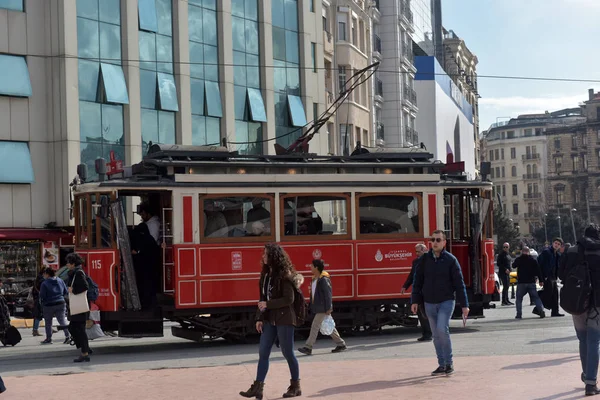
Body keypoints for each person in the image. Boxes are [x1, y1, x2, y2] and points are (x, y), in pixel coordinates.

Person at [240, 243, 304, 399]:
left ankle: (296, 386)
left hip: (284, 317)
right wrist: (259, 318)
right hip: (269, 318)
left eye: (266, 254)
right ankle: (258, 387)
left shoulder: (285, 275)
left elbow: (289, 299)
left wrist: (268, 305)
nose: (263, 257)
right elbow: (263, 298)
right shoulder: (266, 274)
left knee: (287, 353)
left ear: (274, 257)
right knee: (263, 352)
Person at [411, 230, 469, 376]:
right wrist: (415, 301)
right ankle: (441, 364)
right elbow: (417, 281)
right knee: (436, 334)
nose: (435, 242)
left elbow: (459, 283)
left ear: (444, 243)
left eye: (438, 240)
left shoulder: (451, 260)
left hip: (446, 301)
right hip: (429, 302)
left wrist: (464, 305)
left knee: (442, 329)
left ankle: (449, 363)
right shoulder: (424, 260)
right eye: (433, 240)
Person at [558, 225, 600, 396]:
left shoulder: (572, 251)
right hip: (598, 303)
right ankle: (591, 383)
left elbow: (560, 274)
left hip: (577, 302)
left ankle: (587, 375)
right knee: (594, 341)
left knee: (583, 339)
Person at [297, 259, 346, 355]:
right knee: (329, 326)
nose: (310, 267)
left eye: (311, 266)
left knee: (315, 326)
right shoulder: (315, 279)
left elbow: (328, 294)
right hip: (319, 307)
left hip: (323, 308)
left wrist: (329, 307)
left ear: (316, 267)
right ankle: (341, 344)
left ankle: (308, 347)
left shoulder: (324, 279)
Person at [401, 243, 432, 341]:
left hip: (428, 290)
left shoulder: (431, 260)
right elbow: (411, 275)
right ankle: (426, 333)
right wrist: (405, 286)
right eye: (416, 252)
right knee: (421, 313)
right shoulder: (416, 262)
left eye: (418, 251)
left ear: (424, 250)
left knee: (426, 313)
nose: (417, 254)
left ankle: (429, 333)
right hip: (419, 291)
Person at [65, 253, 91, 363]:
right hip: (76, 307)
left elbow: (85, 286)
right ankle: (85, 349)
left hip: (79, 307)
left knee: (79, 329)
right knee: (74, 328)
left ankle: (85, 352)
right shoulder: (74, 273)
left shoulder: (78, 273)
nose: (67, 265)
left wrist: (73, 290)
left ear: (73, 263)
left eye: (68, 263)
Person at [39, 267, 71, 344]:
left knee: (48, 322)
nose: (44, 275)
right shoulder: (60, 280)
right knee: (62, 320)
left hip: (48, 304)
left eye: (44, 274)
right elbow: (65, 292)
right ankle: (68, 336)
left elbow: (42, 295)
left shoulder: (44, 283)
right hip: (60, 302)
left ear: (47, 274)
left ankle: (49, 339)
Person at [513, 247, 545, 319]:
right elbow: (538, 270)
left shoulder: (519, 259)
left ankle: (519, 314)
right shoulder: (533, 260)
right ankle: (541, 311)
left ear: (522, 252)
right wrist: (541, 280)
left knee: (519, 298)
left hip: (521, 282)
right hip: (531, 282)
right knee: (536, 298)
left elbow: (513, 265)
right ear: (528, 252)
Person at [538, 237, 565, 317]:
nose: (556, 245)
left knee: (555, 295)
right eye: (555, 243)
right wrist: (541, 278)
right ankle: (538, 308)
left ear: (560, 246)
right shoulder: (546, 252)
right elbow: (539, 264)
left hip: (553, 277)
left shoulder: (557, 254)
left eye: (558, 244)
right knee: (547, 294)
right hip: (547, 276)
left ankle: (555, 312)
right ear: (552, 243)